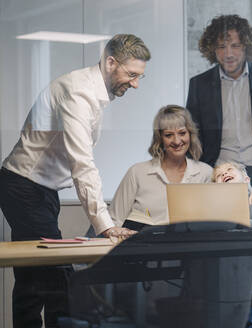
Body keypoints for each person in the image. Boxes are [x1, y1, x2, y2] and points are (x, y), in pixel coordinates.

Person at [0, 34, 150, 327]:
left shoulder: (92, 91)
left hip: (40, 189)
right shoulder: (80, 92)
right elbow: (82, 163)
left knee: (32, 279)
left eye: (139, 76)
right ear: (110, 62)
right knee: (60, 280)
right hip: (24, 186)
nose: (135, 84)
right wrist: (105, 225)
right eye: (131, 75)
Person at [186, 14, 252, 211]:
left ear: (246, 46)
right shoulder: (199, 85)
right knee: (222, 235)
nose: (228, 53)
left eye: (235, 46)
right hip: (219, 175)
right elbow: (193, 136)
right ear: (212, 49)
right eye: (221, 46)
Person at [109, 105, 213, 226]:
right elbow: (114, 220)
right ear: (160, 139)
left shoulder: (206, 173)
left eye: (182, 133)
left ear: (190, 134)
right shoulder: (137, 172)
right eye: (169, 135)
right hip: (145, 243)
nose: (177, 141)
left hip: (190, 243)